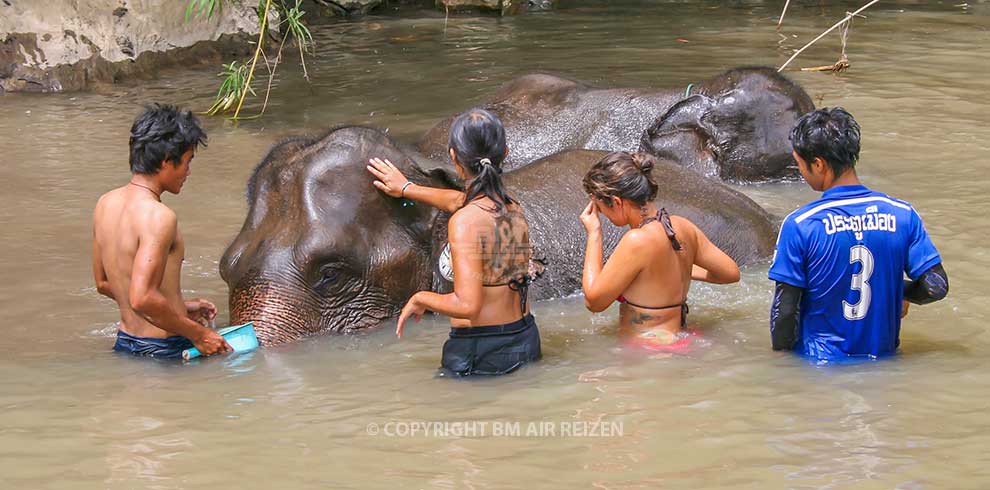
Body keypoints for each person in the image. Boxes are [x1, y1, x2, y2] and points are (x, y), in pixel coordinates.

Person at [366, 109, 542, 376]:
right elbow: (458, 201)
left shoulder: (465, 222)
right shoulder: (510, 206)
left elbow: (467, 306)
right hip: (525, 338)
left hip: (482, 352)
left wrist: (419, 298)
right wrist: (406, 188)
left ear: (454, 157)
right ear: (504, 152)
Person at [769, 107, 948, 360]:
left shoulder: (801, 224)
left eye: (800, 164)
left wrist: (780, 364)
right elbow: (936, 287)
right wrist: (897, 290)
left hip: (819, 369)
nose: (800, 172)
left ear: (818, 164)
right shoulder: (902, 214)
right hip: (884, 365)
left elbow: (785, 311)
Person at [93, 104, 232, 359]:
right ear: (167, 161)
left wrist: (178, 308)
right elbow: (143, 298)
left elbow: (104, 283)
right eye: (187, 162)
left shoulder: (105, 203)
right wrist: (199, 334)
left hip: (125, 343)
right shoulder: (160, 217)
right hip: (164, 350)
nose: (188, 172)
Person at [580, 151, 740, 352]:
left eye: (600, 208)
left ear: (617, 202)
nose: (601, 215)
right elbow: (730, 273)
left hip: (647, 348)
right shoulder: (684, 226)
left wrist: (594, 233)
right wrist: (681, 269)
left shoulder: (636, 241)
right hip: (681, 338)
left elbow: (594, 302)